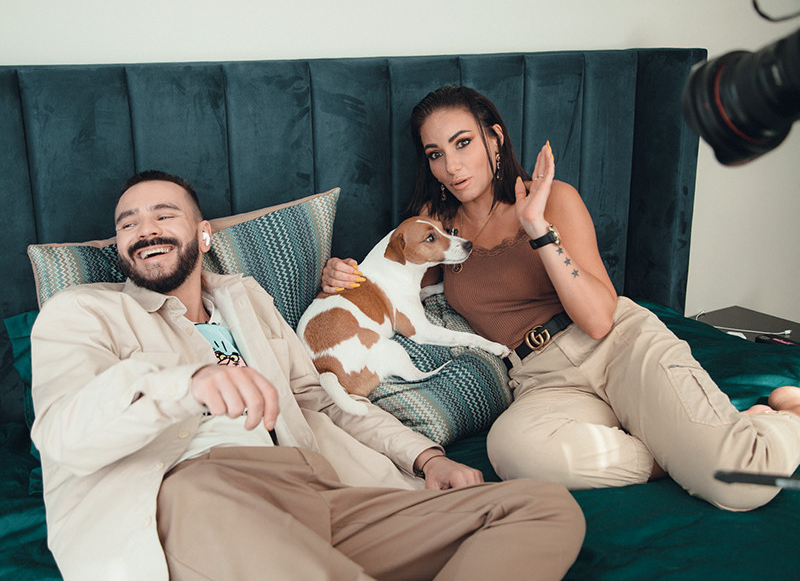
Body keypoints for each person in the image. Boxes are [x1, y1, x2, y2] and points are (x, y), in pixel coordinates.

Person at [29, 170, 585, 581]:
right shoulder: (82, 312)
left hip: (314, 487)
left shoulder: (246, 299)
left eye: (163, 215)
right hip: (196, 493)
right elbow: (61, 435)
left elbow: (322, 402)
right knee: (204, 494)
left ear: (204, 235)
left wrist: (425, 458)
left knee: (541, 508)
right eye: (128, 223)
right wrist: (185, 384)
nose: (144, 230)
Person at [322, 85, 800, 512]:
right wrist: (339, 276)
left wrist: (537, 227)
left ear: (495, 139)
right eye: (435, 153)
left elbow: (598, 320)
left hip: (617, 346)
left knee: (741, 484)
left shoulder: (554, 199)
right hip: (540, 378)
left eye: (463, 143)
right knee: (513, 452)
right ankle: (683, 448)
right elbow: (386, 285)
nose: (451, 166)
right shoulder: (436, 226)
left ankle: (786, 418)